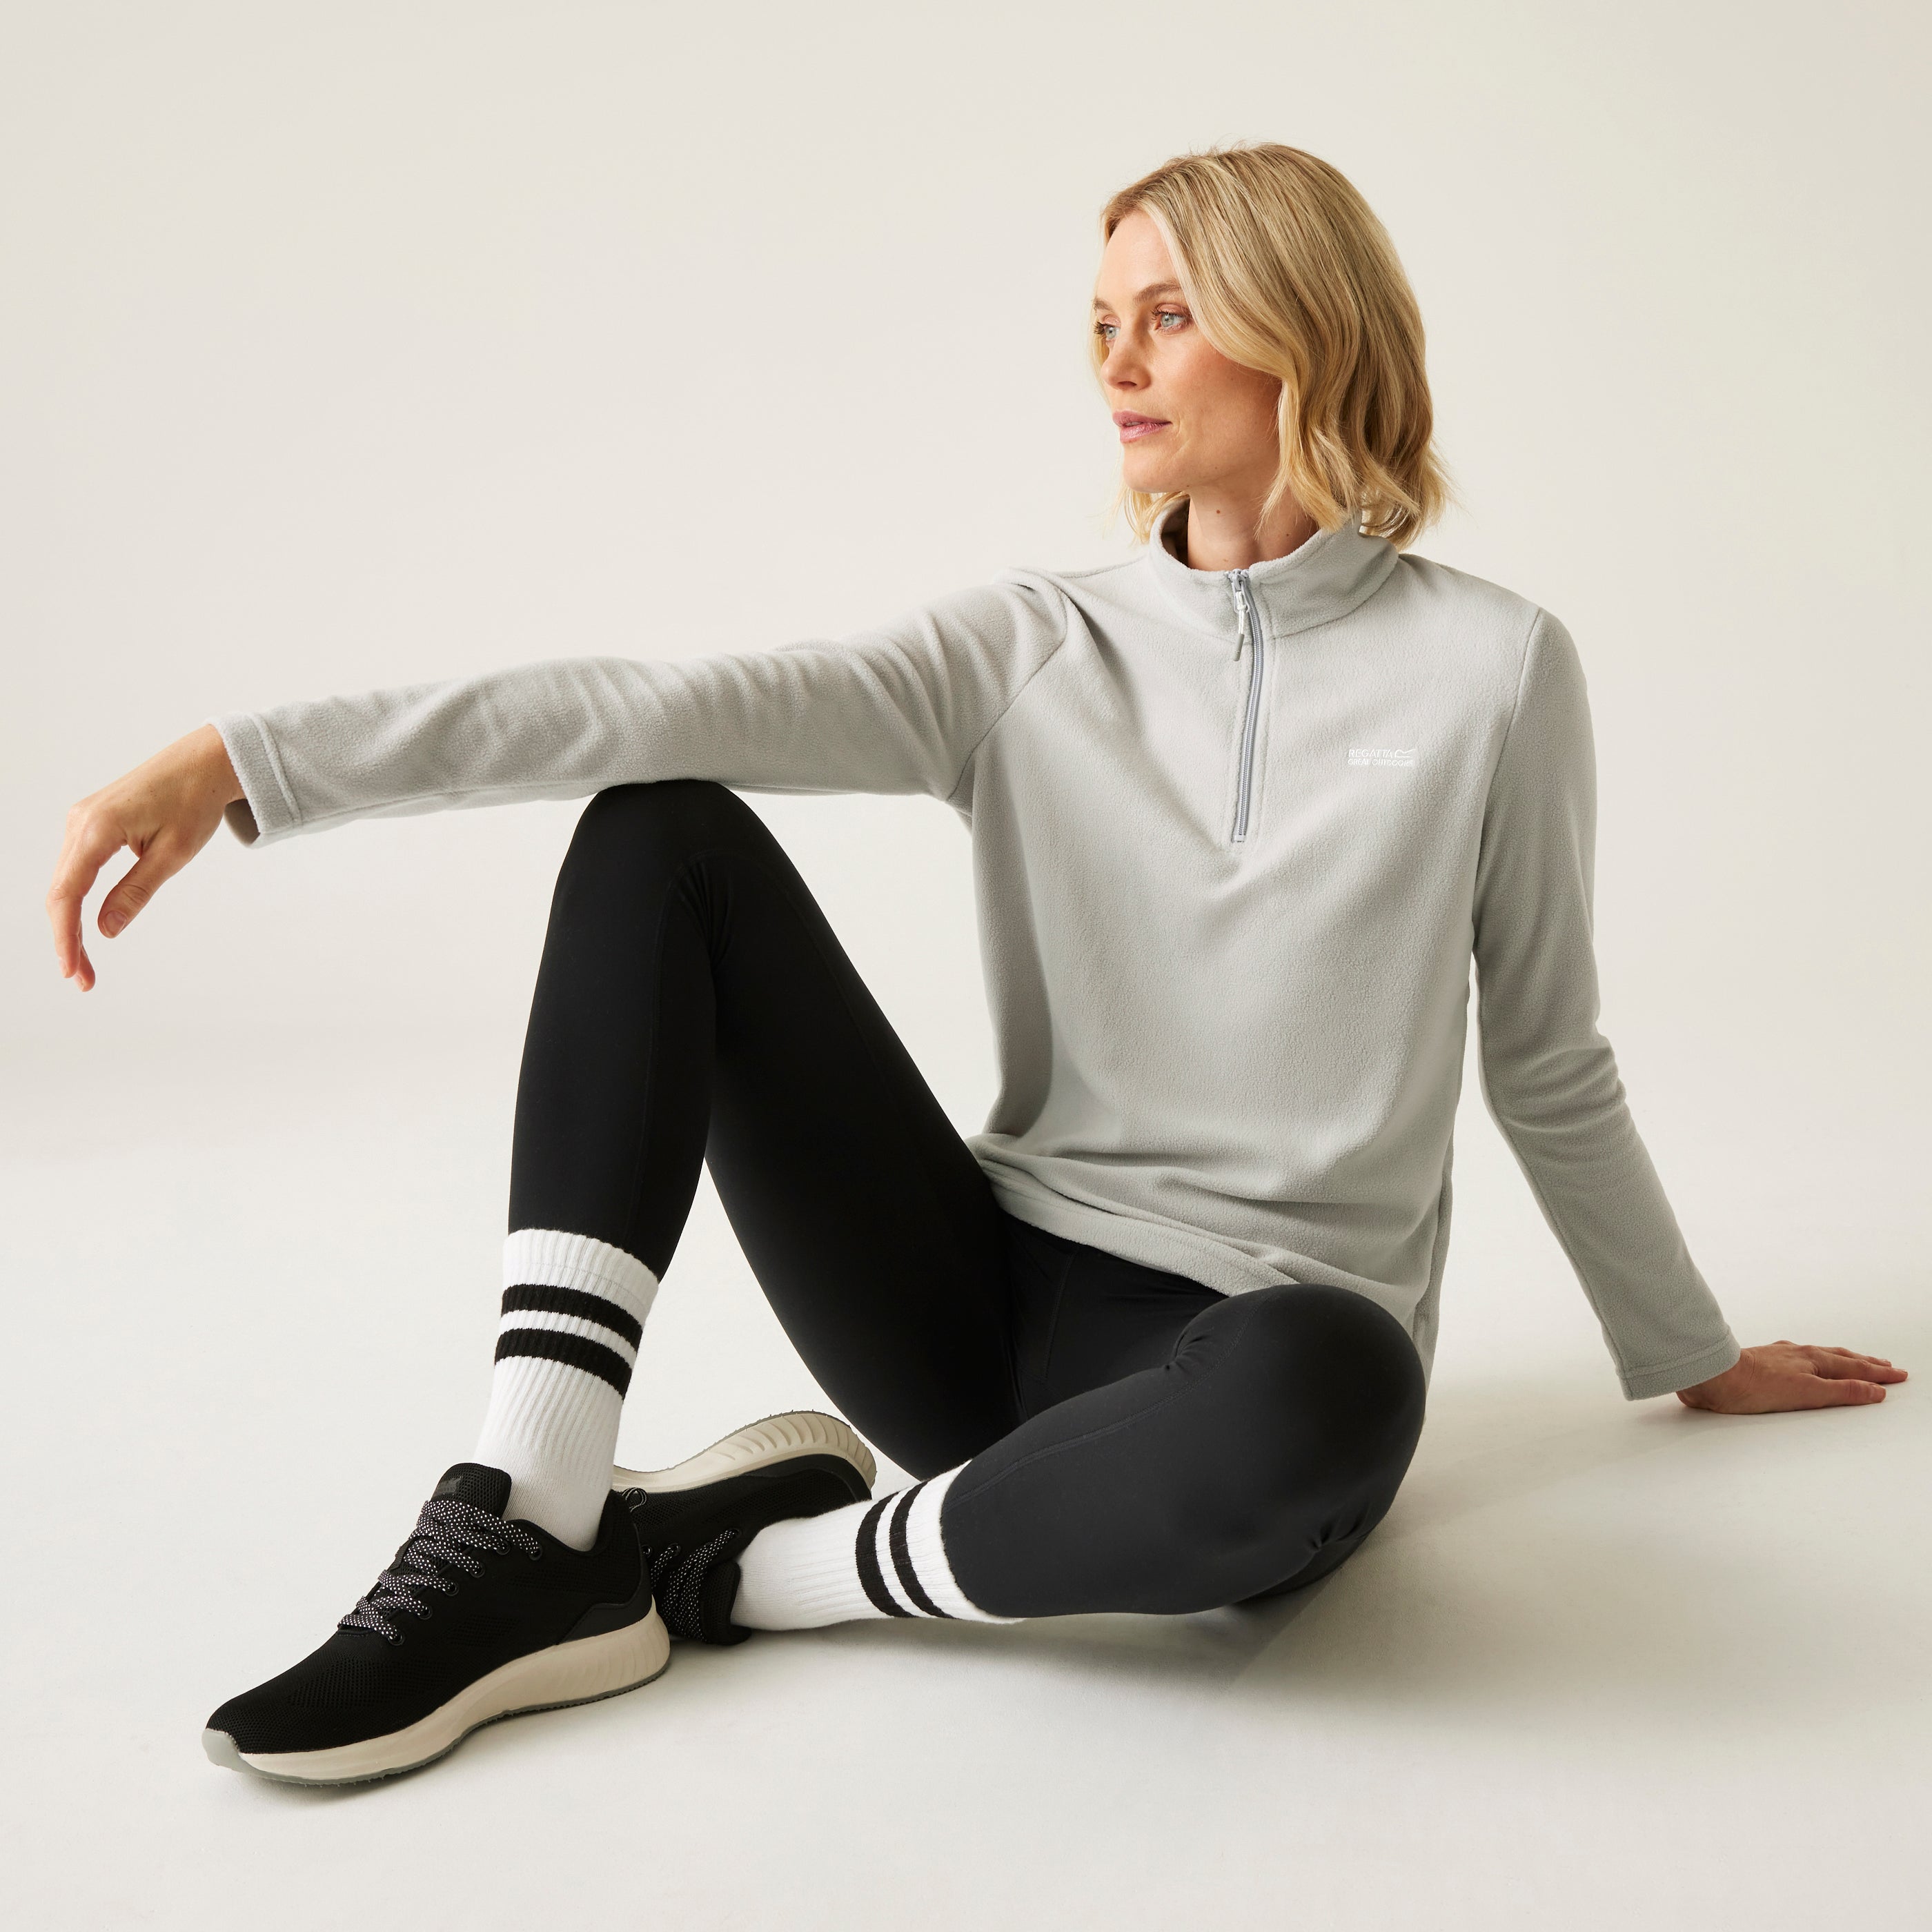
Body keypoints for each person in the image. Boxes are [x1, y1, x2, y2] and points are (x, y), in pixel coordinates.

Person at [47, 143, 1905, 1789]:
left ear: (1307, 329)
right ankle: (526, 1518)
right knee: (662, 828)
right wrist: (248, 763)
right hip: (967, 1314)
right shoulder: (1034, 649)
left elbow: (1549, 1053)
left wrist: (1688, 1351)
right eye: (1100, 320)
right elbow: (651, 703)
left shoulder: (1492, 671)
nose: (1115, 363)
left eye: (1168, 315)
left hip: (1248, 1355)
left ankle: (733, 1570)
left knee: (1336, 1381)